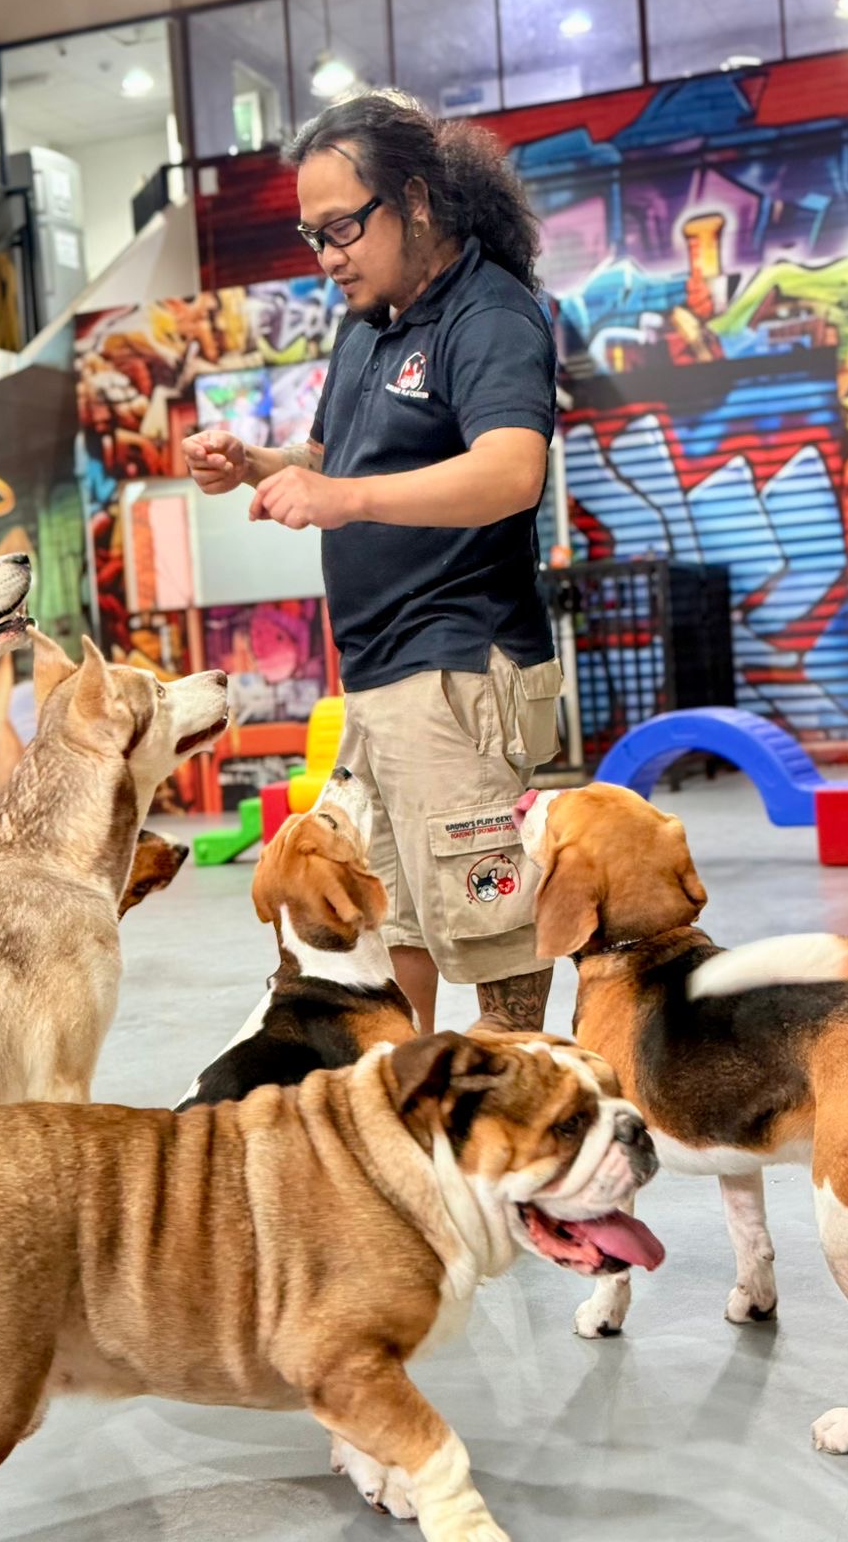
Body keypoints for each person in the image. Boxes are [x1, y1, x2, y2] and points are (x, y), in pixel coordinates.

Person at [182, 90, 562, 1037]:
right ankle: (415, 1156)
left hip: (462, 672)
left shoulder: (490, 317)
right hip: (380, 678)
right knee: (386, 927)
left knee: (492, 935)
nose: (329, 257)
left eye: (344, 227)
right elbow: (336, 461)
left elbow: (511, 472)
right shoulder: (366, 324)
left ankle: (517, 1171)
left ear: (418, 200)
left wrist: (343, 499)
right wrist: (260, 466)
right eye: (312, 236)